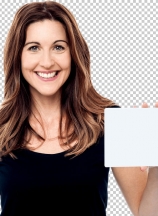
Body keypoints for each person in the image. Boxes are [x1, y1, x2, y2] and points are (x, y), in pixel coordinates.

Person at [0, 1, 158, 216]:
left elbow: (146, 213)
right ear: (17, 56)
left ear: (74, 54)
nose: (46, 62)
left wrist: (157, 168)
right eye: (34, 48)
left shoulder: (112, 120)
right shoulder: (2, 127)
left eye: (58, 47)